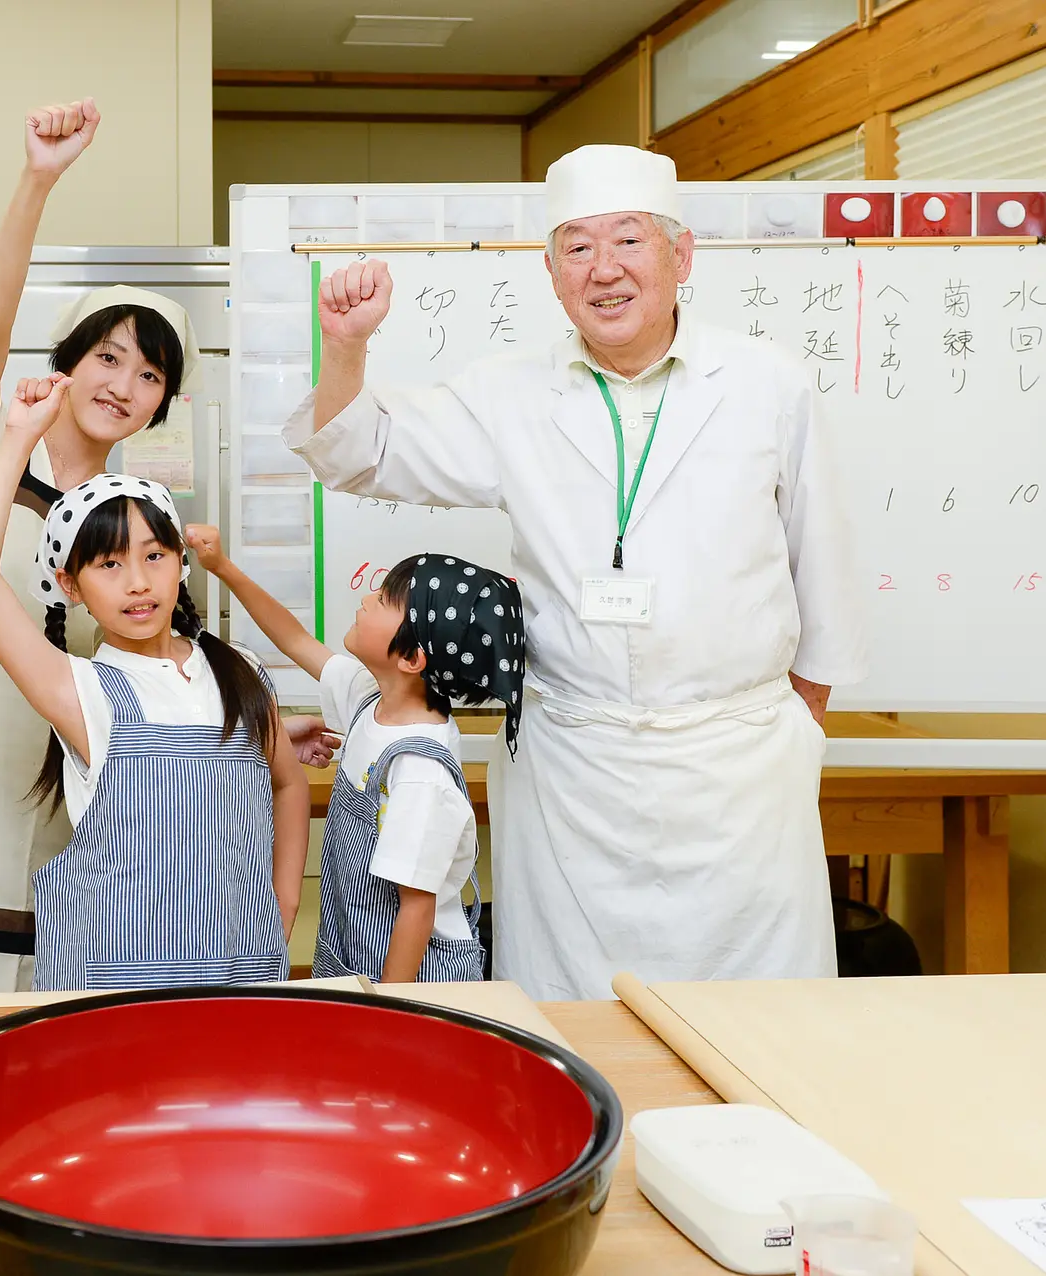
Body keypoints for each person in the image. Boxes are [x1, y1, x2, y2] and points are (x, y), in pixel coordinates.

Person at [287, 144, 867, 1000]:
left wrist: (792, 731)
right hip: (571, 774)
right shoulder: (509, 392)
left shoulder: (768, 384)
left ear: (681, 255)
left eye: (629, 240)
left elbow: (826, 571)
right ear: (552, 273)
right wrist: (346, 347)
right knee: (569, 1020)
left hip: (739, 774)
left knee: (755, 1014)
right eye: (579, 247)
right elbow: (357, 453)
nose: (605, 269)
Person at [0, 99, 329, 994]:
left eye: (150, 375)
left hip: (59, 785)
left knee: (33, 1000)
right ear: (69, 360)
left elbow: (133, 666)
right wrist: (38, 178)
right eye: (109, 358)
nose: (124, 385)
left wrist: (230, 732)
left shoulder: (121, 519)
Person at [0, 373, 308, 990]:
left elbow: (289, 782)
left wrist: (283, 907)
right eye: (109, 564)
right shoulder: (81, 690)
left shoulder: (239, 672)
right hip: (113, 985)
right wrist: (17, 438)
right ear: (71, 586)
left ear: (180, 561)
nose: (138, 582)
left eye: (154, 556)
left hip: (242, 975)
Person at [189, 527, 523, 983]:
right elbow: (295, 639)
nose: (367, 598)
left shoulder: (419, 772)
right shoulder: (372, 700)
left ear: (412, 659)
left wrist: (388, 1010)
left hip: (411, 981)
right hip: (352, 956)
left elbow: (416, 909)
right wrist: (223, 568)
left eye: (384, 600)